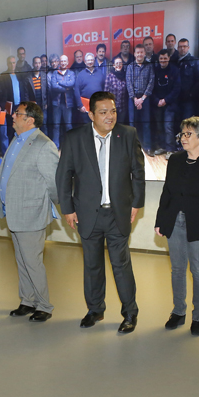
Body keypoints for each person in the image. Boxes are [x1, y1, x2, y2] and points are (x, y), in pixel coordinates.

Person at [56, 91, 146, 333]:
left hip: (118, 213)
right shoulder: (75, 138)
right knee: (92, 265)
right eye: (104, 112)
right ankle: (95, 309)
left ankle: (130, 313)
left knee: (121, 265)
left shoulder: (127, 134)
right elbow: (64, 176)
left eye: (113, 111)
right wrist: (67, 209)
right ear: (91, 115)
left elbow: (138, 172)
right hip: (87, 213)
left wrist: (136, 203)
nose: (110, 116)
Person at [155, 117, 199, 336]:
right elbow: (167, 191)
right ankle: (178, 311)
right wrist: (160, 220)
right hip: (174, 220)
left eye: (188, 134)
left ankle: (197, 316)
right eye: (182, 134)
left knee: (198, 271)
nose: (183, 138)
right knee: (177, 269)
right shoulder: (175, 159)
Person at [0, 102, 60, 322]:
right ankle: (27, 300)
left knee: (32, 262)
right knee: (22, 261)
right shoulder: (17, 140)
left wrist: (56, 206)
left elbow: (54, 182)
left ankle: (44, 305)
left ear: (30, 119)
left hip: (31, 213)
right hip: (13, 211)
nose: (12, 116)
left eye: (18, 113)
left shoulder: (43, 144)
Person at [151, 49, 181, 155]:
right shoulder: (155, 70)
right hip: (157, 104)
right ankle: (162, 147)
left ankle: (170, 149)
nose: (163, 60)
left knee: (168, 126)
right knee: (159, 126)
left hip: (170, 104)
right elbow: (150, 87)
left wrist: (165, 100)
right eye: (161, 58)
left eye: (165, 58)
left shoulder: (175, 70)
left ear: (169, 58)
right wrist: (157, 101)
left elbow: (177, 89)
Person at [126, 44, 154, 153]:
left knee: (146, 124)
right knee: (132, 123)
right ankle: (133, 147)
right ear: (134, 54)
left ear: (144, 53)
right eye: (137, 52)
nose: (139, 54)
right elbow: (129, 84)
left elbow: (151, 82)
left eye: (141, 52)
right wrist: (135, 99)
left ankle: (147, 147)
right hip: (132, 98)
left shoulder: (149, 66)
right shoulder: (130, 67)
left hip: (145, 98)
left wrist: (142, 99)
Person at [48, 54, 76, 148]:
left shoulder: (71, 73)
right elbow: (54, 86)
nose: (63, 63)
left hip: (68, 105)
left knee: (68, 126)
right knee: (56, 126)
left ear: (67, 62)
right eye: (62, 61)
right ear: (59, 62)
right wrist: (66, 88)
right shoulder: (55, 73)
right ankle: (56, 146)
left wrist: (59, 82)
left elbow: (72, 83)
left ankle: (70, 145)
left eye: (65, 61)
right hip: (57, 104)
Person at [175, 38, 199, 123]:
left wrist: (191, 94)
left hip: (189, 100)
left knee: (187, 122)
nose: (182, 48)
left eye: (184, 46)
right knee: (177, 122)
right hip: (176, 98)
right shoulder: (175, 61)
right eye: (180, 47)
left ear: (188, 47)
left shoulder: (195, 61)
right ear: (177, 48)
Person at [74, 52, 106, 125]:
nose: (90, 62)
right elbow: (76, 91)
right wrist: (80, 105)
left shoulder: (100, 73)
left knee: (98, 125)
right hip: (85, 107)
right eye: (88, 60)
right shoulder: (80, 75)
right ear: (85, 62)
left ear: (94, 61)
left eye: (91, 60)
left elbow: (104, 88)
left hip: (98, 105)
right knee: (87, 127)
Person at [104, 56, 128, 125]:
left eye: (120, 63)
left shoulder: (125, 76)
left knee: (121, 125)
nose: (118, 65)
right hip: (112, 108)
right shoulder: (109, 76)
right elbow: (106, 93)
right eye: (117, 63)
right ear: (113, 65)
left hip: (123, 107)